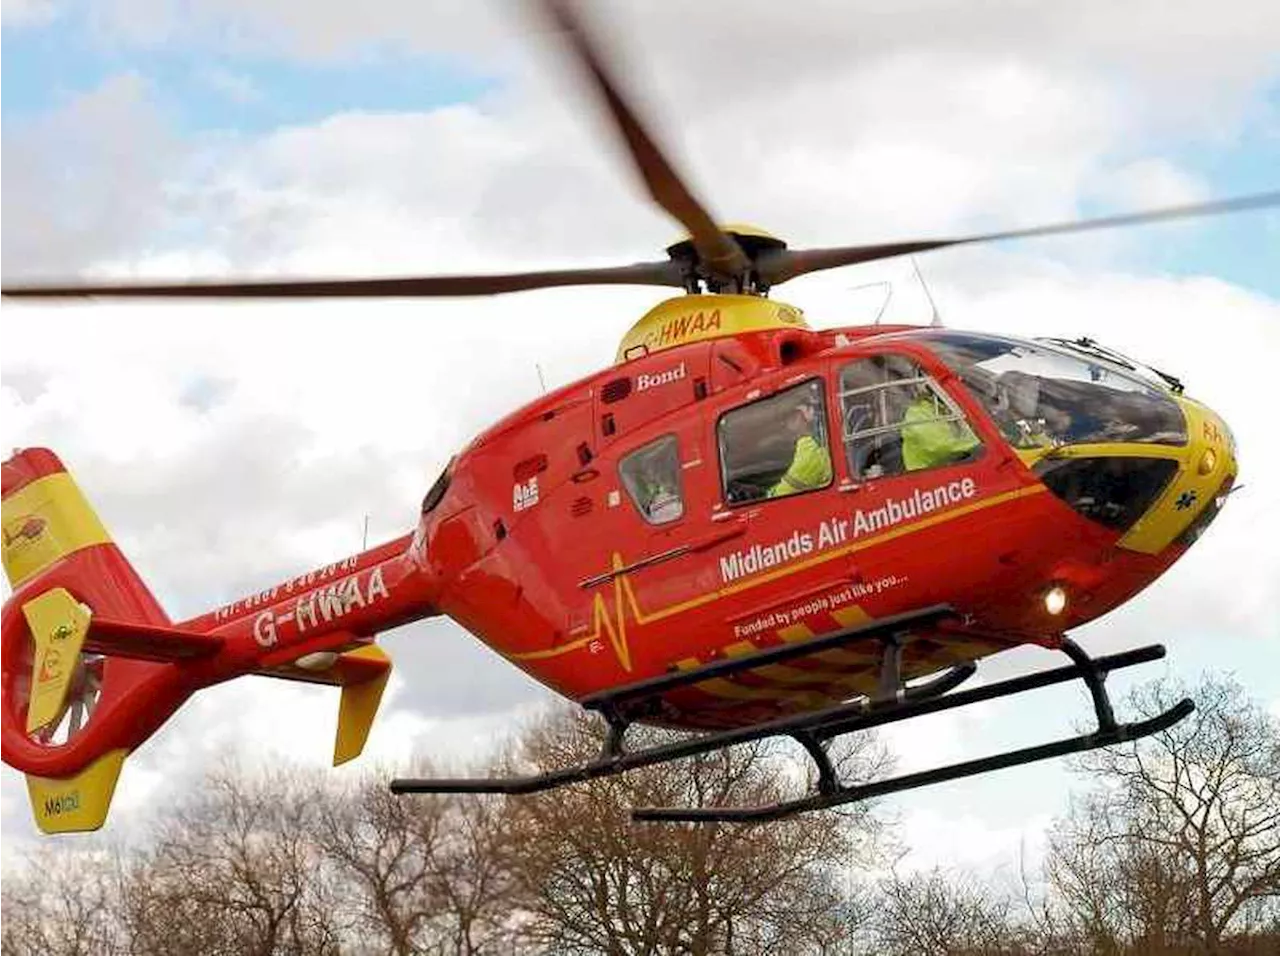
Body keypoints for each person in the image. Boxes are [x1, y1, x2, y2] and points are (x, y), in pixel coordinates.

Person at [900, 386, 981, 471]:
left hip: (952, 464)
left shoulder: (946, 409)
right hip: (927, 473)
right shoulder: (918, 413)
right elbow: (939, 445)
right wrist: (975, 444)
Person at [768, 398, 833, 497]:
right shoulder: (809, 444)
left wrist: (766, 494)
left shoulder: (810, 448)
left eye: (786, 420)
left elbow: (784, 493)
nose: (784, 426)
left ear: (798, 417)